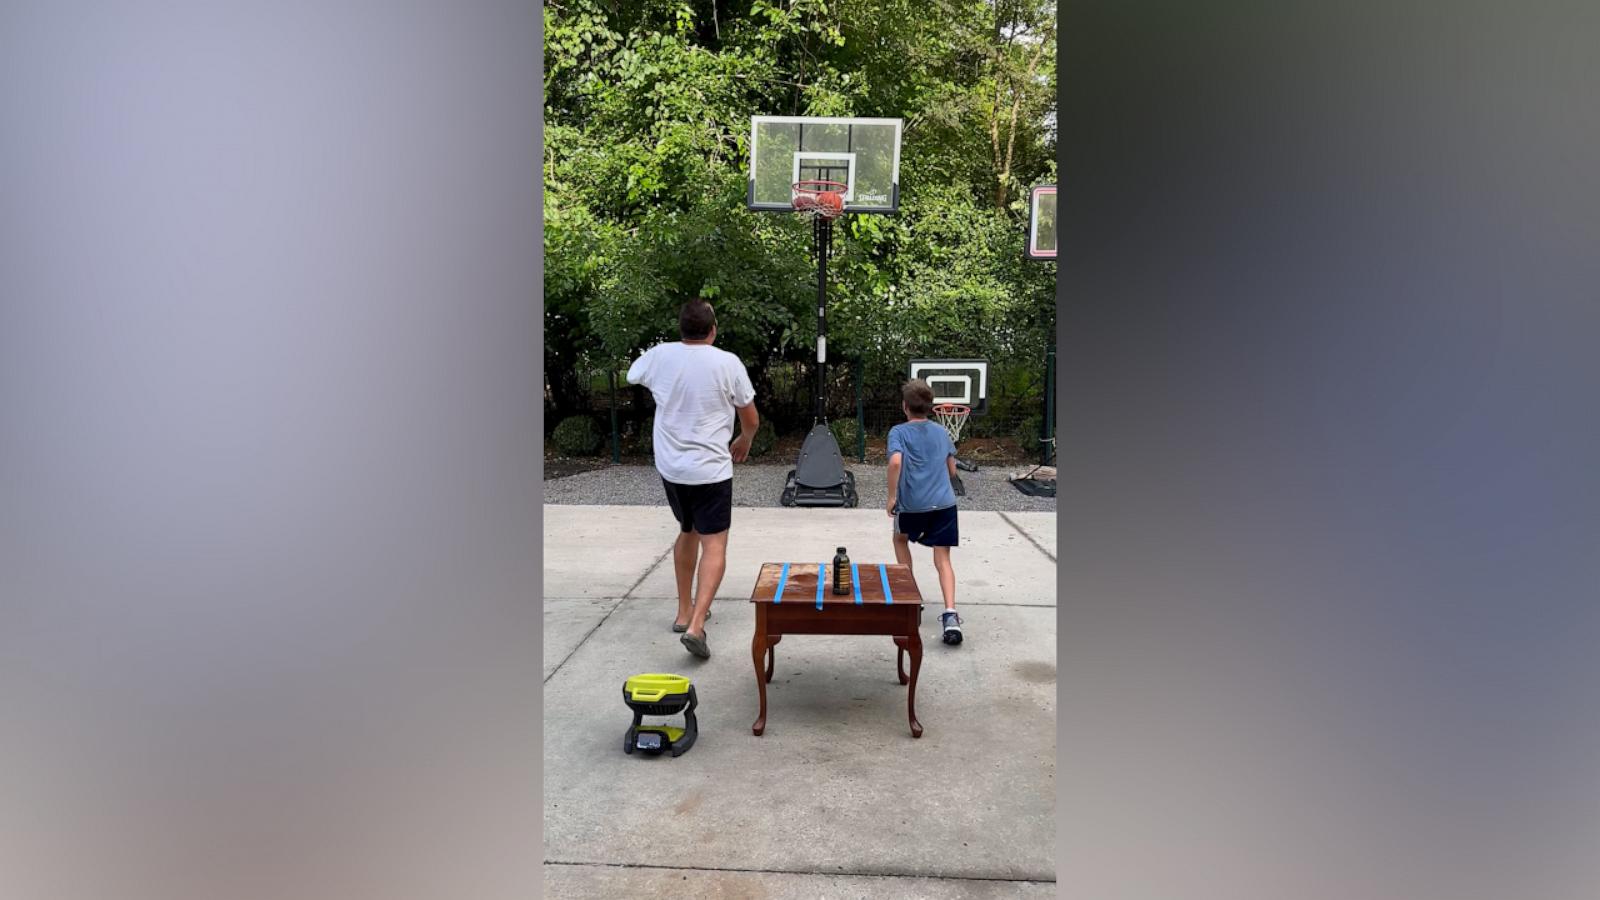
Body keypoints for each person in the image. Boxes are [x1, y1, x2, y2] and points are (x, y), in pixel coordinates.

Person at [626, 297, 759, 659]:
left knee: (688, 531)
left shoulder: (659, 355)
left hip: (672, 467)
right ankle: (698, 625)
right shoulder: (727, 362)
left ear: (681, 328)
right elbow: (750, 418)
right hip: (711, 469)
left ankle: (683, 611)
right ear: (713, 330)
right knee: (714, 543)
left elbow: (633, 375)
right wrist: (744, 441)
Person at [886, 379, 963, 645]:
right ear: (930, 408)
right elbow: (952, 470)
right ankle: (951, 616)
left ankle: (910, 599)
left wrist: (892, 496)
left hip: (912, 505)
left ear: (904, 406)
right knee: (942, 559)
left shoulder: (898, 432)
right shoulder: (942, 432)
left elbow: (896, 461)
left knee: (899, 539)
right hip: (944, 504)